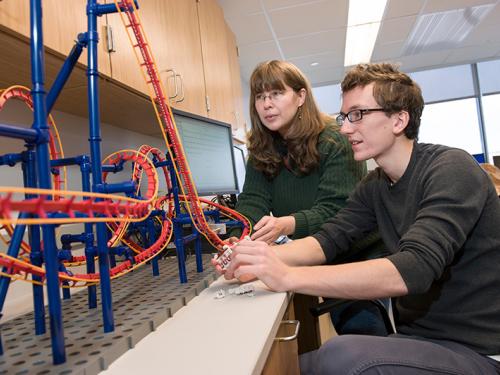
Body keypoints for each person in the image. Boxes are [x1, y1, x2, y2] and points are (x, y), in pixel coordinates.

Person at [218, 62, 500, 374]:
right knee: (289, 366)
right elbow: (328, 240)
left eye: (358, 115)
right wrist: (254, 257)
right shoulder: (375, 185)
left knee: (340, 354)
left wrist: (286, 276)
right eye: (344, 117)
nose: (345, 128)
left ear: (398, 119)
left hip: (480, 350)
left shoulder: (452, 168)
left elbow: (415, 268)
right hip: (420, 340)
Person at [229, 60, 389, 337]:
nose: (267, 104)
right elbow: (251, 202)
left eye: (276, 93)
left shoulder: (336, 139)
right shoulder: (261, 148)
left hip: (354, 255)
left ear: (301, 96)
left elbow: (339, 210)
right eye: (260, 96)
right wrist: (237, 238)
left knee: (362, 333)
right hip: (310, 251)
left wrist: (287, 224)